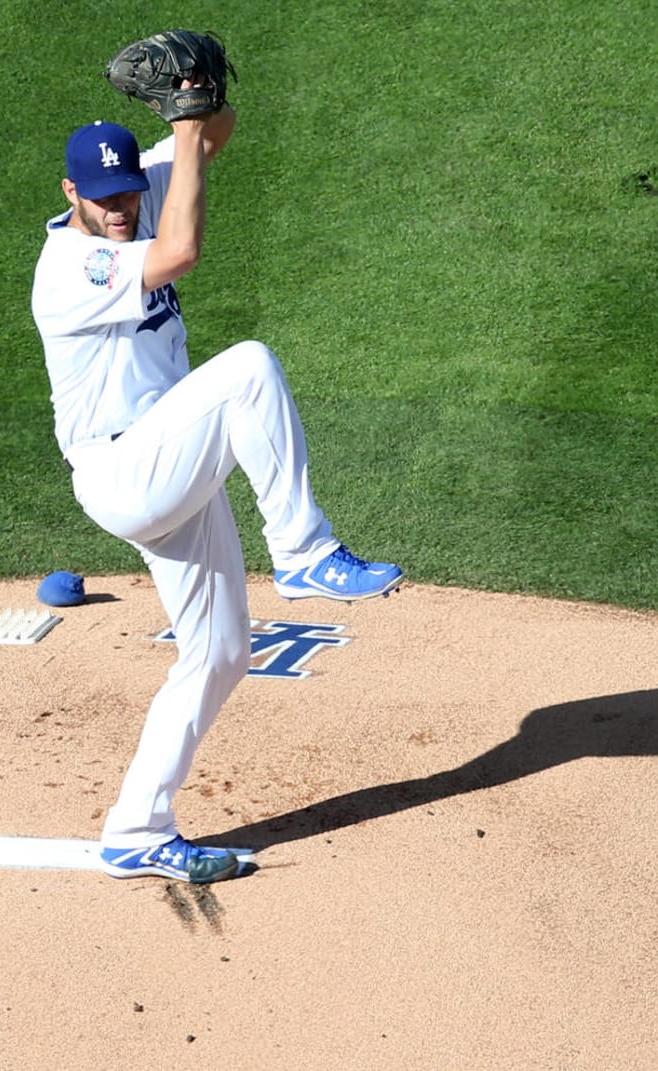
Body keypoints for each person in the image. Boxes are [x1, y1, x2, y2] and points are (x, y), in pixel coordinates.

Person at [30, 90, 401, 885]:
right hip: (123, 470)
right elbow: (178, 256)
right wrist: (186, 133)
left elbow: (214, 140)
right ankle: (303, 551)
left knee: (223, 651)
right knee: (247, 369)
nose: (124, 207)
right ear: (71, 197)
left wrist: (197, 104)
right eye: (105, 200)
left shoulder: (137, 192)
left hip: (170, 456)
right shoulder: (74, 263)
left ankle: (136, 829)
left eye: (130, 190)